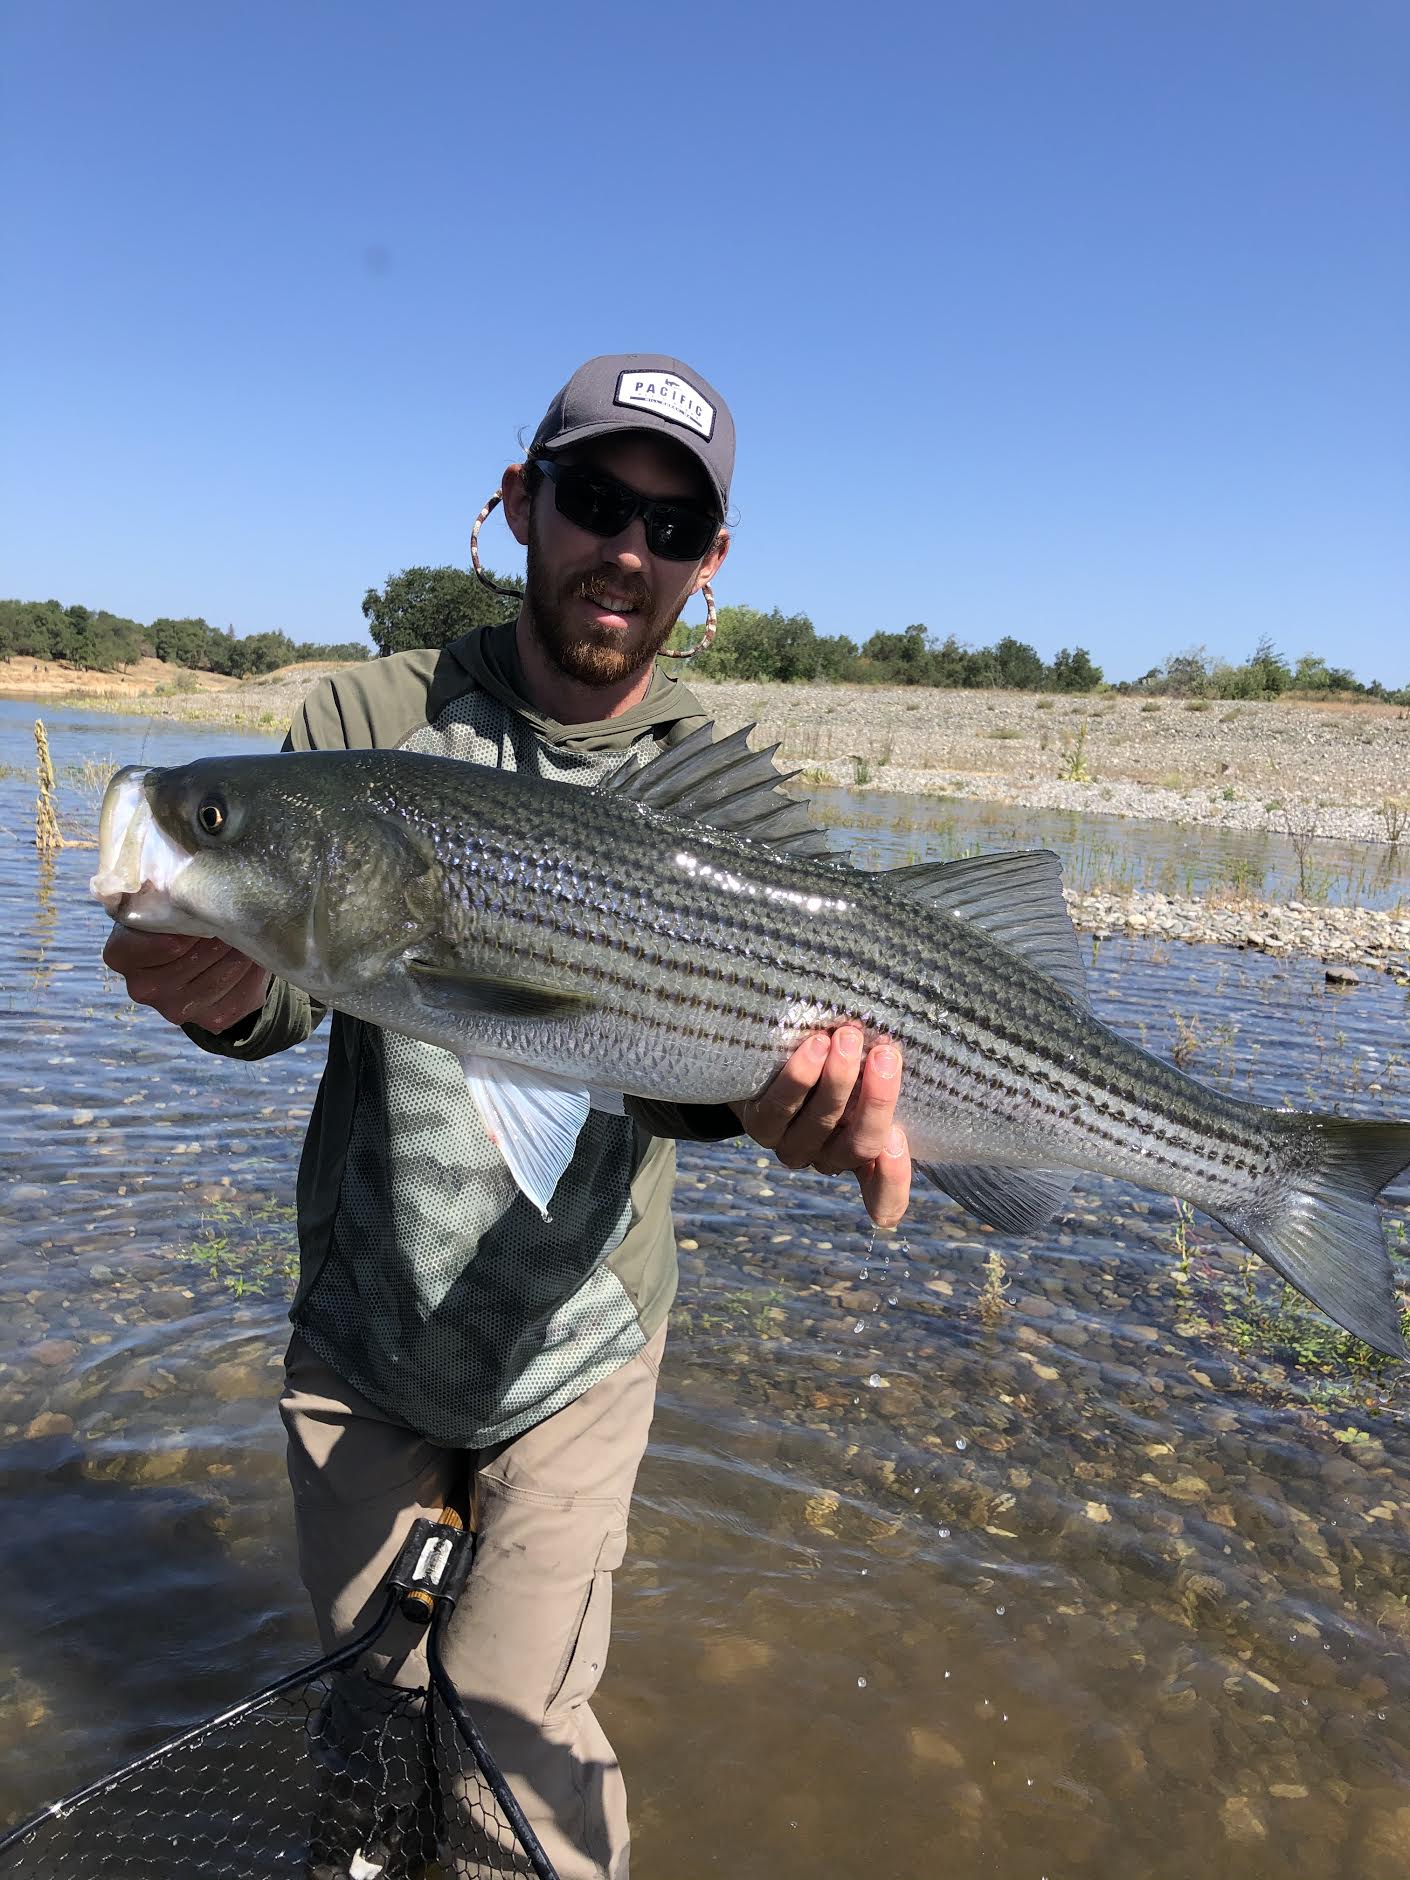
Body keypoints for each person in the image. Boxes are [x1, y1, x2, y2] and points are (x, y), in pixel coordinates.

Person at [102, 353, 910, 1879]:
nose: (627, 548)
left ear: (710, 564)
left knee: (510, 1754)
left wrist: (785, 1115)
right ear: (522, 503)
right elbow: (282, 991)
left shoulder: (703, 789)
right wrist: (213, 987)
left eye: (672, 528)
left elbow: (710, 1079)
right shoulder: (371, 718)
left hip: (579, 1348)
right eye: (598, 501)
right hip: (365, 1325)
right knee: (366, 1718)